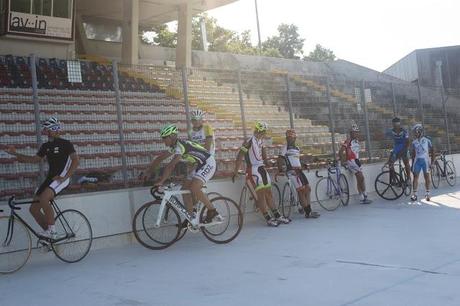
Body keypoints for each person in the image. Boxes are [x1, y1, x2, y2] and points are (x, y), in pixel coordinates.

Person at [5, 117, 79, 238]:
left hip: (61, 178)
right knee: (33, 209)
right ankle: (49, 237)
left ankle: (52, 231)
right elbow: (34, 159)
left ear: (56, 129)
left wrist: (65, 177)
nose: (46, 132)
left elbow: (76, 161)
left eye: (49, 129)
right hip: (50, 179)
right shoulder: (46, 146)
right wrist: (15, 154)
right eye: (46, 130)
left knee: (44, 198)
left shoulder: (66, 144)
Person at [141, 124, 222, 224]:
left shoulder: (180, 146)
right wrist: (149, 171)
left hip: (208, 163)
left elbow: (171, 166)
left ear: (171, 137)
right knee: (184, 189)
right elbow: (160, 158)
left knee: (194, 187)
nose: (163, 141)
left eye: (164, 138)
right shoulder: (174, 146)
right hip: (198, 165)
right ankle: (190, 218)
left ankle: (212, 212)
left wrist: (161, 181)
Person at [232, 121, 291, 227]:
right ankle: (268, 218)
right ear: (260, 131)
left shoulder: (260, 141)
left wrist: (269, 163)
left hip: (261, 168)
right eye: (264, 132)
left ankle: (277, 216)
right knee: (261, 194)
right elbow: (240, 156)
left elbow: (264, 156)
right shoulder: (249, 141)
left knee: (268, 192)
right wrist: (235, 171)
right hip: (253, 169)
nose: (264, 134)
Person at [277, 129, 320, 218]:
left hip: (299, 170)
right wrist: (280, 169)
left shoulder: (297, 148)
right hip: (292, 171)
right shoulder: (285, 147)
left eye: (292, 137)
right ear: (286, 138)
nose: (290, 139)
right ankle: (308, 212)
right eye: (288, 137)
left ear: (295, 138)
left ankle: (308, 210)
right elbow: (280, 158)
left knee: (308, 189)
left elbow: (297, 159)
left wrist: (304, 164)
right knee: (301, 190)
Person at [339, 122, 372, 204]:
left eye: (357, 132)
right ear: (351, 133)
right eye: (354, 132)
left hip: (357, 161)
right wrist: (343, 161)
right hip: (351, 161)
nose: (356, 133)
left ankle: (363, 196)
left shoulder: (357, 141)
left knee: (360, 178)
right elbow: (341, 151)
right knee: (361, 177)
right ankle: (363, 195)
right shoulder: (348, 141)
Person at [410, 124, 434, 202]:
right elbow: (413, 154)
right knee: (415, 177)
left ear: (419, 131)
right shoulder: (414, 142)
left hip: (425, 161)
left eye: (416, 132)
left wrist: (432, 162)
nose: (415, 134)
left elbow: (433, 151)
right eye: (414, 132)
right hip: (417, 161)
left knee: (426, 177)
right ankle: (415, 194)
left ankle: (427, 193)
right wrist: (412, 164)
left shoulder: (427, 140)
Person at [387, 117, 411, 181]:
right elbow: (384, 136)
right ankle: (394, 178)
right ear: (393, 124)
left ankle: (408, 178)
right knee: (390, 163)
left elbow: (408, 142)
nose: (395, 127)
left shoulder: (404, 131)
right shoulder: (391, 131)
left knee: (406, 162)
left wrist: (405, 150)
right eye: (394, 125)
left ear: (399, 124)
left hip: (404, 147)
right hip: (396, 148)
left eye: (397, 125)